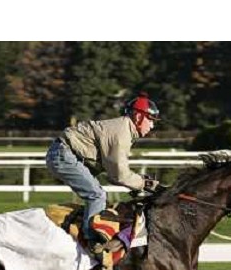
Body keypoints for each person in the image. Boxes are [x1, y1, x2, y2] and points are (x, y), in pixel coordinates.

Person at [46, 92, 161, 251]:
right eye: (151, 120)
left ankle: (84, 230)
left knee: (99, 201)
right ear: (138, 117)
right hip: (65, 155)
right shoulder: (121, 132)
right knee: (97, 195)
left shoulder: (124, 130)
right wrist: (143, 183)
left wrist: (139, 184)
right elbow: (119, 175)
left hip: (65, 153)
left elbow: (114, 174)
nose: (153, 126)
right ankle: (92, 243)